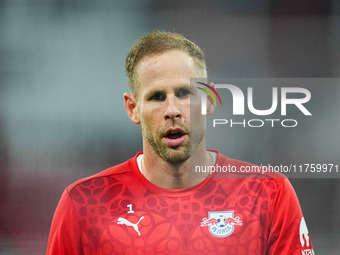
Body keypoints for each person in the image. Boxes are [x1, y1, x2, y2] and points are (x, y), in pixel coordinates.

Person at [47, 31, 315, 255]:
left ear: (210, 100)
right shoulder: (83, 203)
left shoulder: (268, 194)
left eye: (185, 92)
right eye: (156, 96)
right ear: (132, 109)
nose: (172, 109)